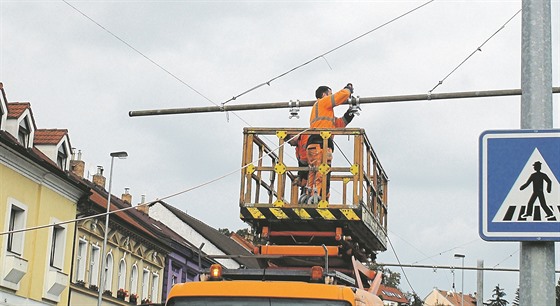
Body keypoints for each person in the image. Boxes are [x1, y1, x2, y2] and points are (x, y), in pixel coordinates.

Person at [303, 83, 356, 204]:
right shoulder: (322, 102)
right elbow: (338, 97)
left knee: (314, 172)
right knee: (322, 173)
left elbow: (339, 124)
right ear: (324, 95)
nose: (331, 96)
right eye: (329, 94)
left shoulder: (323, 112)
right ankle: (320, 200)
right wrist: (348, 90)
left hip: (315, 145)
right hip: (321, 144)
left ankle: (310, 196)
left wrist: (350, 113)